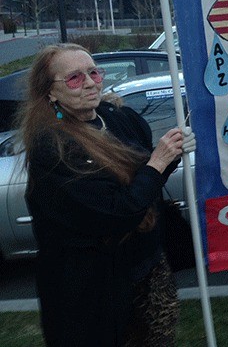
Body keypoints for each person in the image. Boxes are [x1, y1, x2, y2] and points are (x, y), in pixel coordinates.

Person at [19, 43, 195, 346]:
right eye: (74, 78)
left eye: (94, 73)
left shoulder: (115, 117)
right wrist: (159, 160)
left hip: (147, 270)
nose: (89, 82)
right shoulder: (52, 147)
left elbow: (145, 181)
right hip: (93, 289)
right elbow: (118, 213)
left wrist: (171, 154)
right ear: (50, 92)